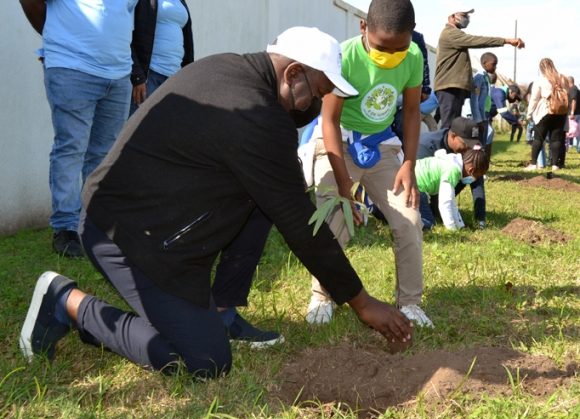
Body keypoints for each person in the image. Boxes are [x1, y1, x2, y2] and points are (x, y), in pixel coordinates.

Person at [20, 27, 413, 378]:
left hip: (157, 219)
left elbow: (282, 196)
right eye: (318, 92)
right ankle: (66, 303)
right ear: (293, 74)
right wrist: (362, 302)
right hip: (122, 233)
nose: (313, 105)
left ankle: (221, 312)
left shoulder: (231, 69)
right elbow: (299, 222)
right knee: (206, 360)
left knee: (266, 198)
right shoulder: (254, 114)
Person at [304, 0, 431, 328]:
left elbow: (413, 112)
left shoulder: (414, 57)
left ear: (411, 38)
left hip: (381, 146)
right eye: (380, 48)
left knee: (409, 219)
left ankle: (411, 303)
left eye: (398, 50)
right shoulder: (344, 57)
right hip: (338, 142)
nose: (389, 57)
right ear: (363, 28)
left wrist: (409, 164)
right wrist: (344, 184)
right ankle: (322, 295)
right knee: (333, 215)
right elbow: (329, 120)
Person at [19, 0, 138, 258]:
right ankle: (66, 228)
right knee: (71, 148)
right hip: (72, 67)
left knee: (105, 153)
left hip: (118, 73)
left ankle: (93, 223)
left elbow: (127, 15)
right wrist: (56, 37)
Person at [434, 5, 525, 130]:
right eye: (464, 15)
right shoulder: (450, 34)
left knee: (453, 127)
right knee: (448, 127)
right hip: (449, 87)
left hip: (454, 87)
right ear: (452, 17)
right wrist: (506, 41)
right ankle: (442, 149)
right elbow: (476, 40)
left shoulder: (455, 35)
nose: (467, 19)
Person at [417, 117, 487, 229]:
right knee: (428, 220)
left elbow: (477, 179)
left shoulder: (465, 155)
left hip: (438, 187)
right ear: (453, 136)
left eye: (472, 145)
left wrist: (480, 219)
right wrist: (451, 227)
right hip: (416, 186)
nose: (468, 149)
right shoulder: (424, 146)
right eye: (466, 144)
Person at [129, 0, 194, 115]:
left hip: (175, 77)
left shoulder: (181, 2)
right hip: (150, 76)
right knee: (140, 128)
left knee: (164, 129)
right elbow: (128, 36)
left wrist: (188, 78)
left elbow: (188, 42)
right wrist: (137, 76)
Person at [525, 58, 570, 171]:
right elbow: (567, 94)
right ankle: (555, 165)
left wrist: (529, 114)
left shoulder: (540, 80)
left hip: (545, 111)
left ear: (541, 68)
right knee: (556, 139)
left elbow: (534, 99)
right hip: (560, 112)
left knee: (538, 139)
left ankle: (534, 164)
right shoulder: (563, 78)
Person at [470, 52, 497, 146]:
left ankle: (481, 160)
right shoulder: (479, 77)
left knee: (483, 142)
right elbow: (474, 99)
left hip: (484, 116)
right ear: (484, 63)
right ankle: (475, 160)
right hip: (477, 119)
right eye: (493, 64)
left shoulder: (486, 77)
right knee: (476, 142)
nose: (495, 67)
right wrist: (477, 119)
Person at [567, 76, 580, 150]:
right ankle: (578, 148)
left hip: (573, 114)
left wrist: (572, 112)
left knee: (569, 132)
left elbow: (573, 100)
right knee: (578, 132)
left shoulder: (572, 89)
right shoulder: (577, 89)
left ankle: (566, 147)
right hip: (577, 113)